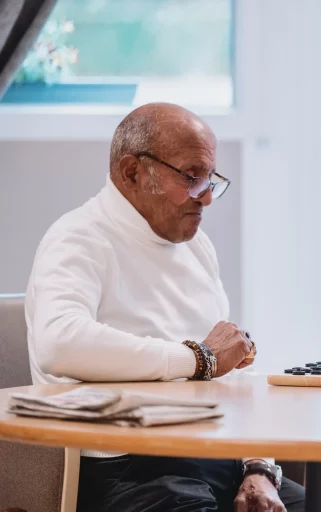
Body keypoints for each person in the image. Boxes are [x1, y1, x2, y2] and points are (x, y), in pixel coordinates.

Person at [26, 103, 304, 512]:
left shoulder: (197, 247)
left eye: (212, 179)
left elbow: (227, 377)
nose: (207, 197)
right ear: (132, 172)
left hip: (211, 457)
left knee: (317, 501)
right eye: (193, 178)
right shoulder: (78, 238)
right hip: (126, 469)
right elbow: (59, 342)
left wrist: (258, 466)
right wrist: (199, 357)